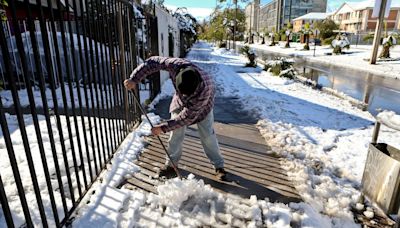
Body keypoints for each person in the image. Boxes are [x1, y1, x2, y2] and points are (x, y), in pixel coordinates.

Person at [124, 56, 226, 179]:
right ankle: (171, 165)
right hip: (179, 102)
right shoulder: (175, 65)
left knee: (208, 135)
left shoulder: (205, 88)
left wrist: (162, 128)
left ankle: (218, 166)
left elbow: (186, 118)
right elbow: (151, 62)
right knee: (175, 134)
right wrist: (134, 79)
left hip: (203, 108)